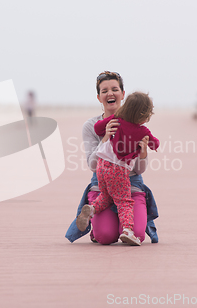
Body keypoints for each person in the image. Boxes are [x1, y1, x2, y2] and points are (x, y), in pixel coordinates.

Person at [65, 71, 159, 245]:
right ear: (99, 97)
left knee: (137, 235)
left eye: (115, 89)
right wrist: (106, 138)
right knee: (106, 237)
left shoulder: (137, 126)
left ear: (123, 95)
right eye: (104, 90)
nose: (110, 93)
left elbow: (139, 170)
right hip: (102, 185)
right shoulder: (92, 126)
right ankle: (97, 226)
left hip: (131, 186)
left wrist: (143, 152)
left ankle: (105, 218)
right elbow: (93, 165)